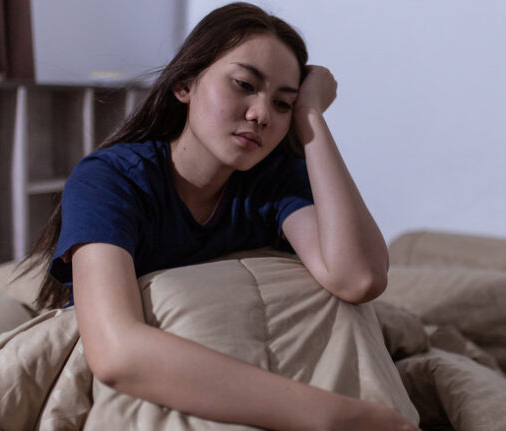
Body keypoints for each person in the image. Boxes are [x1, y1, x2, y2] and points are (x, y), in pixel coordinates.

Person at [25, 3, 419, 430]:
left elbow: (358, 277)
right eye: (244, 84)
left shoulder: (271, 181)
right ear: (184, 84)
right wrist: (339, 416)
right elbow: (117, 353)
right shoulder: (112, 179)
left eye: (283, 104)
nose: (262, 114)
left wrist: (312, 120)